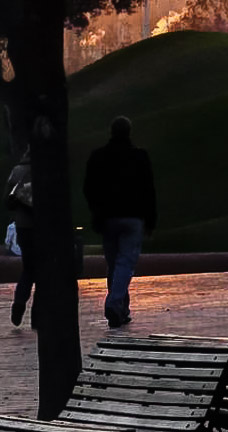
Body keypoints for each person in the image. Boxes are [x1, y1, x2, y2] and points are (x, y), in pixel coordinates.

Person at [83, 115, 157, 328]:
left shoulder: (98, 157)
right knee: (125, 263)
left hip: (107, 218)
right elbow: (148, 190)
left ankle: (121, 308)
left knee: (114, 264)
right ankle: (115, 304)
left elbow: (89, 188)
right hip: (133, 217)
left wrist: (96, 211)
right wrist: (150, 221)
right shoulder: (139, 156)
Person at [4, 151, 36, 327]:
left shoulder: (17, 170)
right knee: (45, 271)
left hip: (23, 226)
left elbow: (6, 199)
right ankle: (38, 316)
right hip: (44, 227)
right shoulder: (47, 168)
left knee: (29, 268)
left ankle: (19, 302)